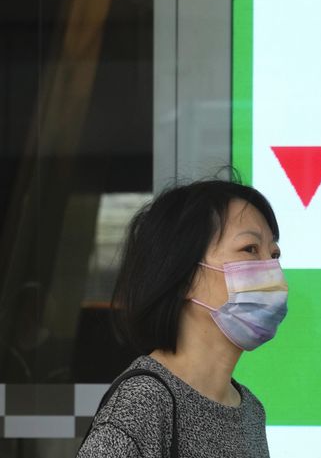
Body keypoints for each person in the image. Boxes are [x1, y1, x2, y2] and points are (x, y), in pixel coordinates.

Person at [78, 179, 288, 458]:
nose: (271, 269)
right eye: (250, 249)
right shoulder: (143, 402)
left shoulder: (250, 410)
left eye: (274, 255)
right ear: (185, 275)